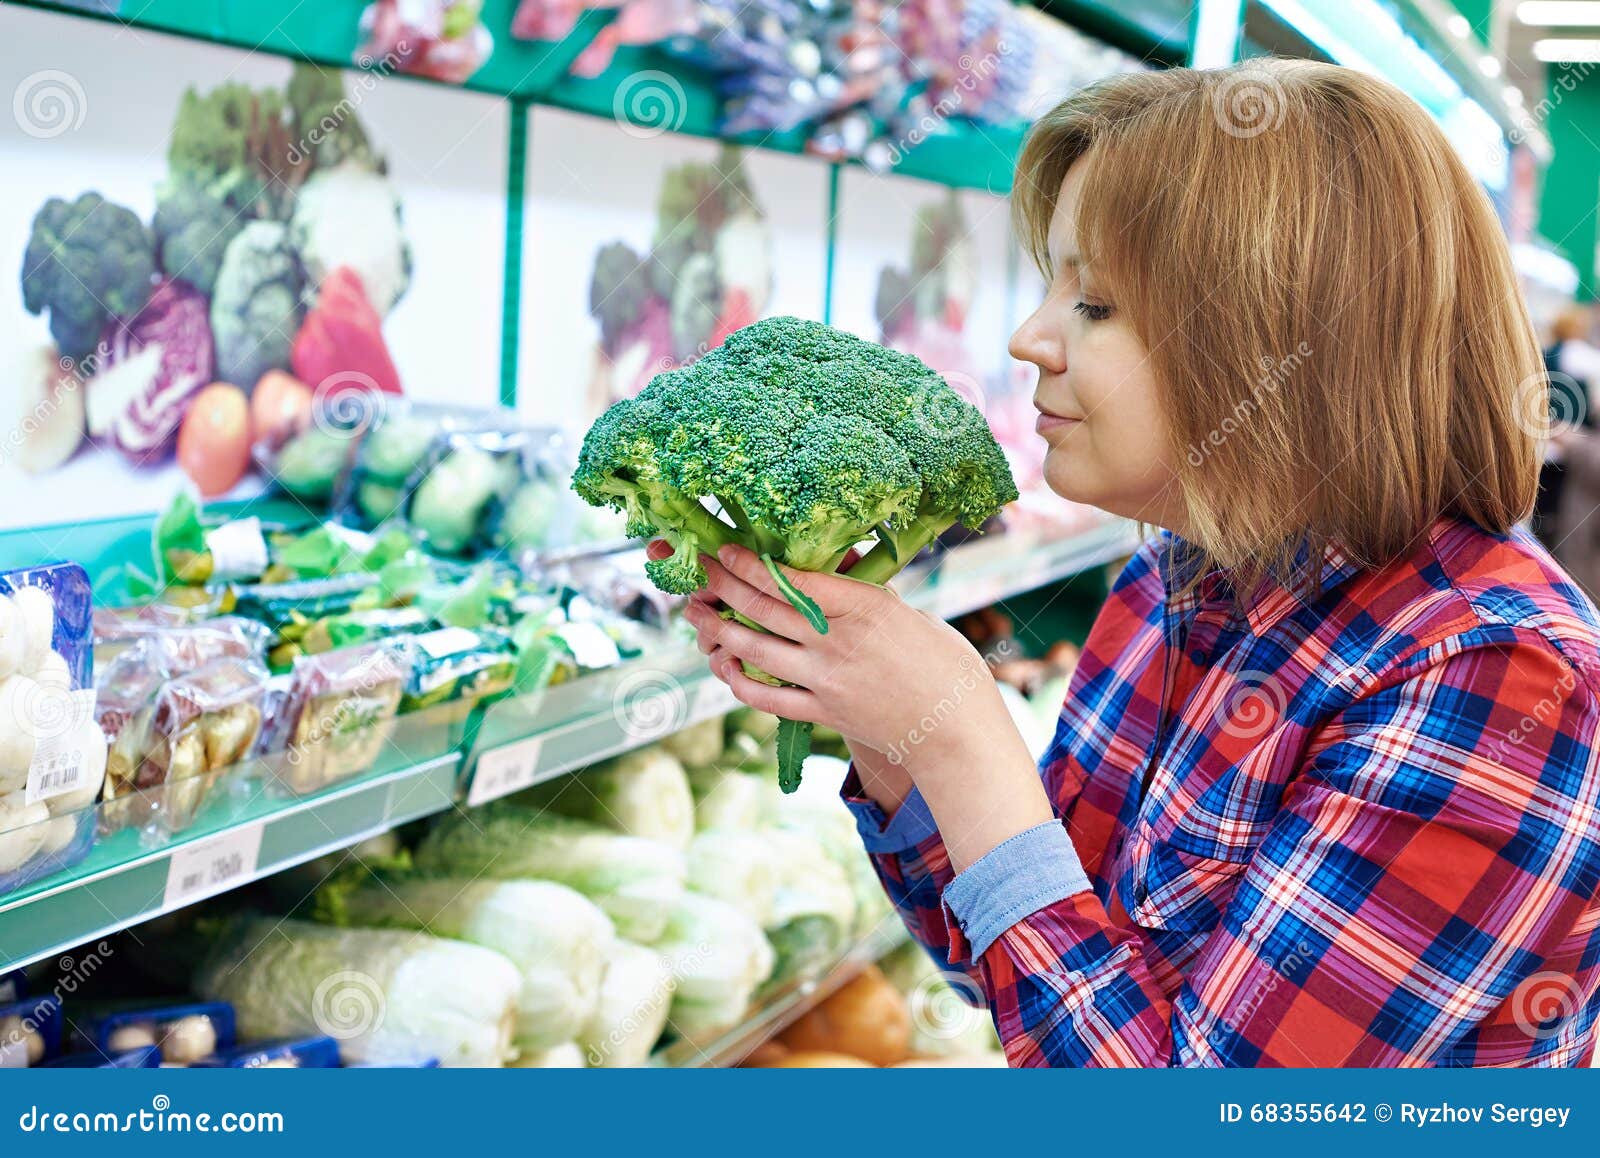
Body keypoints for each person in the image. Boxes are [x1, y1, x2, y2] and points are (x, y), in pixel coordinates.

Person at [652, 60, 1600, 1066]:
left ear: (1289, 343)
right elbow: (1022, 973)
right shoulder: (1174, 581)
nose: (1028, 338)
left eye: (1095, 304)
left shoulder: (1495, 677)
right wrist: (882, 718)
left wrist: (964, 742)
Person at [1533, 305, 1598, 550]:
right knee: (1555, 506)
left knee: (1541, 505)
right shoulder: (1586, 359)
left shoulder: (1544, 353)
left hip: (1543, 444)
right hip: (1569, 451)